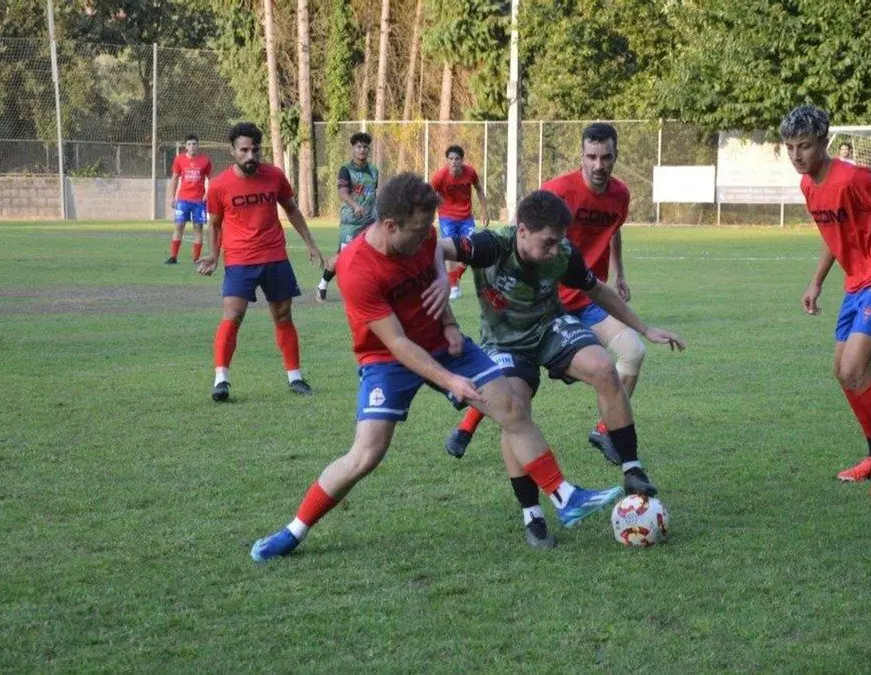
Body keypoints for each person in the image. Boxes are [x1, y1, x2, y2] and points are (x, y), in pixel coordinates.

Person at [249, 173, 624, 560]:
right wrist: (450, 381)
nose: (427, 237)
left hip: (442, 343)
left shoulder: (422, 234)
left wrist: (448, 323)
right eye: (418, 230)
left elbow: (429, 277)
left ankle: (564, 497)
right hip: (387, 358)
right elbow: (397, 343)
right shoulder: (356, 268)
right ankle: (294, 531)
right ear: (390, 225)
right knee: (366, 454)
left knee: (512, 407)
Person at [439, 190, 685, 547]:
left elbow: (597, 290)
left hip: (550, 327)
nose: (556, 250)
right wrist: (440, 284)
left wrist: (644, 329)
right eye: (548, 243)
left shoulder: (563, 254)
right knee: (515, 413)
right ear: (522, 231)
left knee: (604, 368)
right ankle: (533, 515)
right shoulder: (491, 245)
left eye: (559, 242)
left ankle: (632, 469)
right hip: (504, 342)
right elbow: (437, 248)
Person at [445, 123, 645, 464]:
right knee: (511, 367)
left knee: (633, 351)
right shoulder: (557, 190)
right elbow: (522, 230)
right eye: (592, 157)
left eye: (606, 157)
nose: (598, 165)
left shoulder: (621, 195)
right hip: (547, 299)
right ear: (581, 156)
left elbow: (614, 230)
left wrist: (620, 273)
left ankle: (606, 430)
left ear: (615, 156)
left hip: (587, 294)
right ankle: (466, 427)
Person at [780, 104, 871, 497]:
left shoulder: (852, 178)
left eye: (804, 146)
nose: (796, 155)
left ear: (823, 142)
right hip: (856, 285)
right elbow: (834, 234)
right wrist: (816, 283)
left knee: (856, 369)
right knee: (842, 372)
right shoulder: (808, 186)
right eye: (790, 147)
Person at [196, 122, 325, 402]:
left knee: (283, 316)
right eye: (244, 150)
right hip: (240, 259)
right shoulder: (219, 185)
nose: (250, 155)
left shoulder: (274, 176)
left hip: (275, 257)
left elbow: (291, 209)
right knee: (233, 315)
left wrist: (310, 243)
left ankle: (295, 377)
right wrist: (214, 255)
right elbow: (215, 224)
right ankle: (221, 380)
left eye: (255, 150)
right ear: (232, 151)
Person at [317, 132, 380, 302]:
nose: (362, 150)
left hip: (371, 222)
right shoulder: (346, 170)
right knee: (343, 257)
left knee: (373, 255)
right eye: (359, 146)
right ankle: (322, 285)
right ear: (353, 148)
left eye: (365, 147)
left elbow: (373, 193)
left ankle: (367, 290)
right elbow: (342, 192)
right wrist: (355, 205)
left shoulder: (374, 170)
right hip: (351, 223)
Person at [430, 145, 490, 301]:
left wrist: (484, 210)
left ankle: (456, 276)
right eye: (450, 159)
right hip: (447, 217)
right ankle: (453, 287)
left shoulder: (470, 172)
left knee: (471, 248)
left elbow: (479, 189)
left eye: (457, 159)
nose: (453, 162)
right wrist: (429, 214)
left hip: (466, 217)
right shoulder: (440, 177)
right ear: (447, 160)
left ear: (462, 160)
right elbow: (429, 194)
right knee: (451, 249)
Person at [165, 135, 213, 264]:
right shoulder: (179, 159)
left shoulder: (205, 160)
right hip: (183, 200)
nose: (192, 146)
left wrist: (208, 194)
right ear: (186, 146)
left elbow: (211, 179)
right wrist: (172, 197)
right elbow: (175, 178)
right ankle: (173, 257)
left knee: (198, 228)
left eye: (194, 144)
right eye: (189, 144)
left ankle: (196, 258)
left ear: (198, 145)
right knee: (179, 226)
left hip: (199, 201)